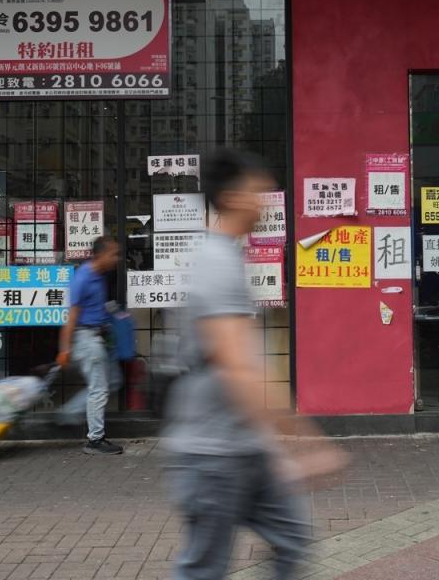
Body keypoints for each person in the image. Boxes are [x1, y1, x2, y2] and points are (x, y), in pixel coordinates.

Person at [163, 148, 348, 580]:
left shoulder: (228, 257)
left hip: (245, 447)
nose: (265, 200)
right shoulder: (215, 263)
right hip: (212, 453)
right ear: (230, 198)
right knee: (203, 570)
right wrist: (306, 443)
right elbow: (239, 369)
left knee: (293, 538)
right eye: (257, 191)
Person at [56, 235, 124, 455]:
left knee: (113, 381)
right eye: (113, 254)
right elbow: (71, 318)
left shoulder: (99, 276)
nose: (117, 259)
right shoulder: (83, 278)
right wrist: (64, 350)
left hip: (100, 338)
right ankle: (95, 440)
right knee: (99, 389)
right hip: (87, 341)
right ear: (100, 254)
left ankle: (69, 412)